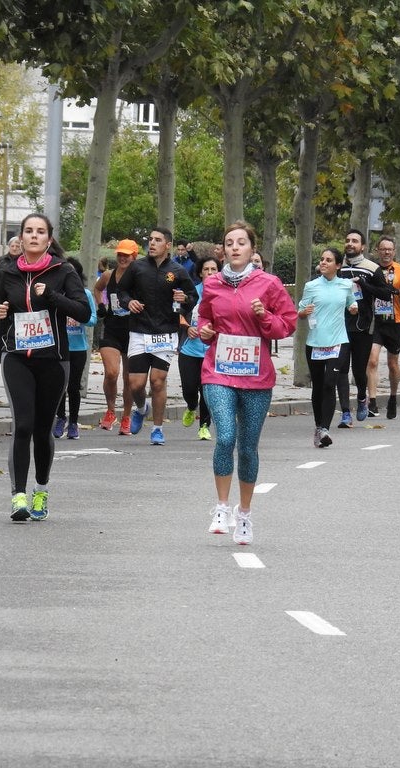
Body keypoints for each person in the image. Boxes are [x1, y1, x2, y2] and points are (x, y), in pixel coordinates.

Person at [197, 221, 297, 544]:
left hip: (256, 377)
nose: (235, 247)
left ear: (252, 249)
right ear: (223, 249)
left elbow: (288, 324)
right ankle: (222, 507)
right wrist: (205, 331)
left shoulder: (269, 285)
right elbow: (204, 318)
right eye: (229, 243)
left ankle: (244, 514)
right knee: (225, 436)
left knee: (248, 447)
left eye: (242, 242)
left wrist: (263, 316)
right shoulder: (212, 284)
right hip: (219, 371)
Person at [0, 213, 91, 522]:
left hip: (53, 360)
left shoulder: (63, 272)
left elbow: (84, 311)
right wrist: (0, 314)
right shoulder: (7, 272)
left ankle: (41, 489)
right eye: (28, 231)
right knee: (22, 425)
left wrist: (51, 296)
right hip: (17, 356)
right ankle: (18, 496)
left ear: (49, 240)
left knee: (41, 428)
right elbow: (2, 312)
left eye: (40, 232)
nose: (33, 236)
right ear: (20, 238)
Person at [116, 226, 198, 446]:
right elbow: (120, 291)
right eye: (150, 239)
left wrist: (184, 299)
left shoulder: (178, 271)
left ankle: (158, 429)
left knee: (157, 382)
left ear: (167, 245)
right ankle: (142, 409)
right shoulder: (137, 267)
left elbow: (193, 296)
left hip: (166, 333)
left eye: (157, 240)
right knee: (135, 384)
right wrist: (128, 302)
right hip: (139, 332)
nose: (152, 243)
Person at [297, 248, 357, 448]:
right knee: (319, 386)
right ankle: (318, 425)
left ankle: (324, 429)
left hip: (339, 341)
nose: (323, 263)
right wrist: (304, 312)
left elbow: (351, 302)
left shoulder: (346, 285)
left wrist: (353, 307)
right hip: (315, 343)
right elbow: (300, 311)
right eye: (322, 259)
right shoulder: (311, 286)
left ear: (338, 265)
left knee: (330, 383)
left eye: (328, 260)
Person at [336, 228, 390, 426]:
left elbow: (386, 293)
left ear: (363, 246)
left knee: (359, 371)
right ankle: (344, 413)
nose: (350, 243)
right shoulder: (337, 267)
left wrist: (364, 285)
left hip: (363, 326)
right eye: (348, 240)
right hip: (339, 326)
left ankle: (361, 398)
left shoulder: (371, 268)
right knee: (340, 369)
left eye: (355, 241)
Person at [365, 236, 400, 419]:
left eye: (389, 249)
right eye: (383, 249)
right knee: (372, 360)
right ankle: (372, 402)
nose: (386, 252)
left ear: (394, 252)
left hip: (395, 323)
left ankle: (393, 397)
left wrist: (396, 292)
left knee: (392, 364)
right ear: (377, 251)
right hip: (376, 322)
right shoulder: (372, 270)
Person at [94, 239, 138, 434]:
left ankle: (127, 416)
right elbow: (97, 288)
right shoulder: (108, 275)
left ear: (134, 257)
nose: (122, 258)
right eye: (120, 254)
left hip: (133, 331)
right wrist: (101, 305)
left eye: (126, 255)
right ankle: (111, 410)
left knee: (129, 379)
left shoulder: (140, 278)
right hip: (111, 328)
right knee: (112, 373)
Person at [53, 257, 97, 440]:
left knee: (73, 387)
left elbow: (93, 319)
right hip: (59, 346)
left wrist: (80, 316)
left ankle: (73, 423)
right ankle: (60, 418)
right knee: (59, 386)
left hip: (78, 348)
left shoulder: (85, 294)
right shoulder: (56, 293)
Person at [178, 254, 219, 441]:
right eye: (206, 270)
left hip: (212, 352)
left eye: (213, 269)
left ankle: (204, 426)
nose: (210, 273)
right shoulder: (193, 293)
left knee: (207, 391)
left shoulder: (224, 294)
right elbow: (178, 315)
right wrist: (188, 327)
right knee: (189, 388)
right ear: (200, 273)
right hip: (189, 350)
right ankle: (190, 405)